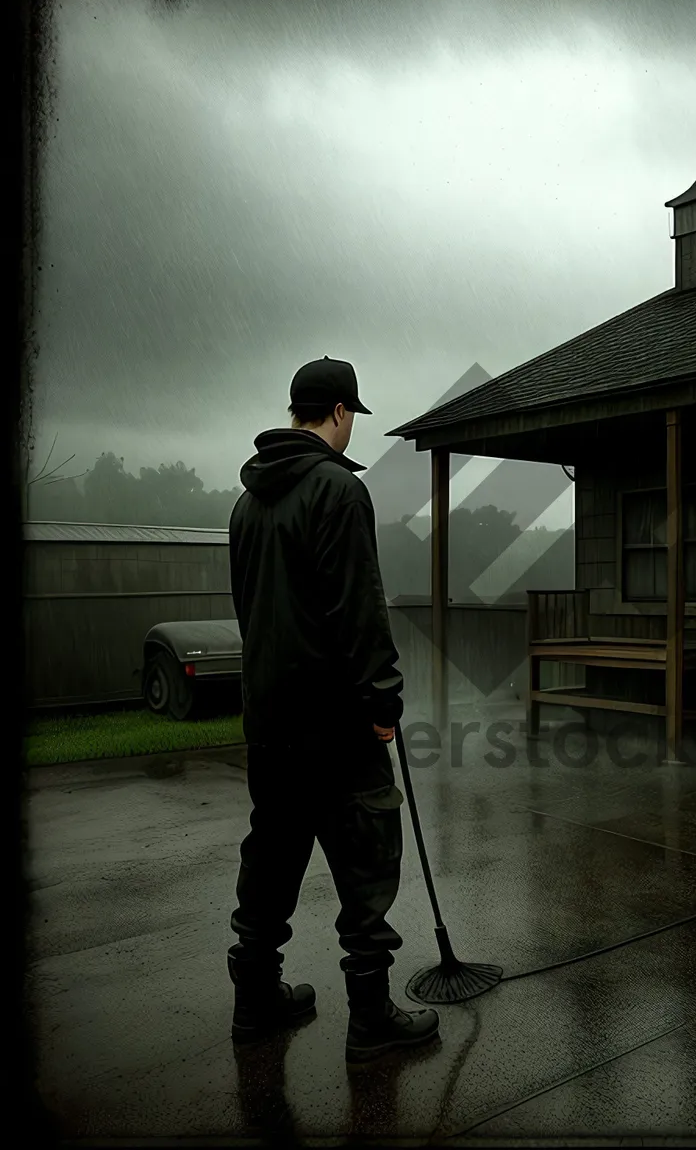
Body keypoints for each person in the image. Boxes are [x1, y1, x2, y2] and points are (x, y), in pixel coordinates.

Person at [226, 356, 440, 1064]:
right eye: (353, 418)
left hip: (270, 722)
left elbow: (250, 611)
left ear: (296, 410)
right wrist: (382, 697)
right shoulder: (337, 493)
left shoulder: (246, 503)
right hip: (336, 724)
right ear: (341, 413)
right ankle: (371, 1021)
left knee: (273, 858)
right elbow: (358, 606)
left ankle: (255, 1001)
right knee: (366, 865)